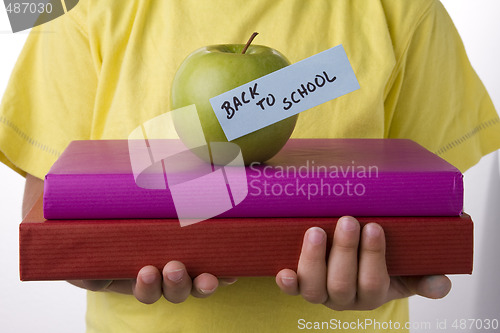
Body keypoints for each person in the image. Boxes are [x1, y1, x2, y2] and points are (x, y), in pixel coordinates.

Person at [2, 0, 500, 332]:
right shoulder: (71, 6)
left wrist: (402, 270)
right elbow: (46, 218)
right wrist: (95, 259)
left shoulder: (405, 9)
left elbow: (430, 206)